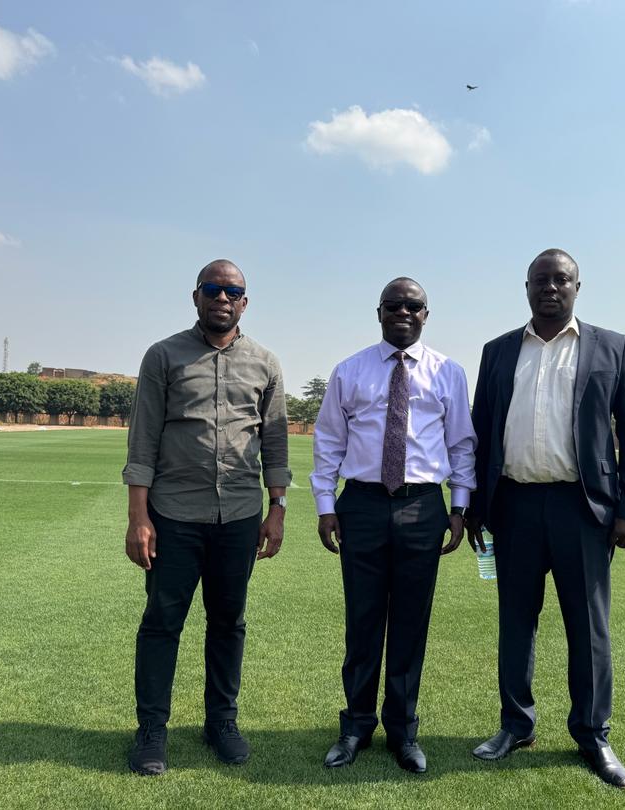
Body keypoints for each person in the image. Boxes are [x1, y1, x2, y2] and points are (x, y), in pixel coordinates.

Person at [466, 249, 625, 789]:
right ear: (526, 287)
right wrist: (478, 504)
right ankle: (515, 725)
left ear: (578, 286)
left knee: (588, 629)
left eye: (561, 279)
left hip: (584, 510)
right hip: (515, 508)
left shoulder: (611, 347)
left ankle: (593, 733)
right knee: (515, 623)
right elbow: (482, 432)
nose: (551, 287)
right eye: (541, 280)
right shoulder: (498, 351)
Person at [122, 259, 291, 776]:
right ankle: (152, 729)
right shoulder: (164, 356)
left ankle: (221, 722)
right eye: (213, 290)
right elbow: (144, 437)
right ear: (196, 296)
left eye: (233, 291)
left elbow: (275, 440)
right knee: (162, 624)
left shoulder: (265, 363)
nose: (223, 298)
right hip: (173, 514)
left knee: (228, 623)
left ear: (245, 301)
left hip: (239, 515)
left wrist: (278, 508)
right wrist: (138, 517)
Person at [311, 277, 476, 774]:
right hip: (360, 505)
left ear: (426, 314)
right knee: (362, 621)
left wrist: (459, 507)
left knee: (409, 623)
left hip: (422, 506)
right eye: (393, 305)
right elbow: (328, 442)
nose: (403, 311)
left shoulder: (449, 372)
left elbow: (461, 444)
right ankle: (356, 725)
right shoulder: (350, 370)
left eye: (413, 305)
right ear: (378, 312)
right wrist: (325, 505)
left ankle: (403, 730)